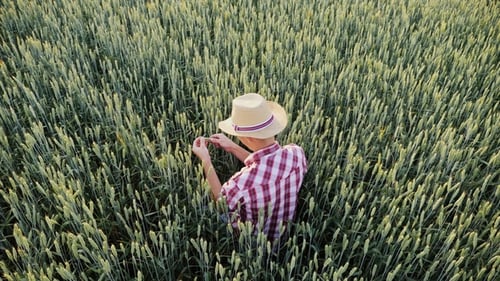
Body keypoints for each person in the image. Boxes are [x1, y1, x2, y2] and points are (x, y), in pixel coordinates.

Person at [192, 93, 307, 241]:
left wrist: (206, 160)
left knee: (205, 209)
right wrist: (233, 147)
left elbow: (221, 203)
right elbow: (267, 166)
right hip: (285, 236)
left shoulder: (241, 184)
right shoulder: (296, 154)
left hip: (251, 244)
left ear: (249, 138)